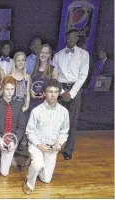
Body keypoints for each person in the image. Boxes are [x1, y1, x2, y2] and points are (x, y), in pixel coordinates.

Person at [22, 79, 69, 194]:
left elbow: (64, 131)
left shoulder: (64, 112)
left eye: (56, 92)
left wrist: (59, 143)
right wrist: (39, 145)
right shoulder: (36, 111)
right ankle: (29, 182)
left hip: (51, 148)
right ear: (44, 93)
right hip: (37, 145)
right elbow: (29, 132)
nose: (53, 95)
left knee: (46, 180)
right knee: (38, 165)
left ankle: (34, 164)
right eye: (50, 91)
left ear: (59, 94)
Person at [52, 29, 89, 160]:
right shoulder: (58, 55)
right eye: (68, 38)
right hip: (60, 88)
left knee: (72, 121)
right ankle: (54, 147)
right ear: (65, 38)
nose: (70, 40)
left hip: (75, 89)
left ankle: (68, 150)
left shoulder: (84, 55)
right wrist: (62, 92)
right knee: (57, 120)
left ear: (77, 39)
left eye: (73, 38)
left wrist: (71, 93)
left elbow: (83, 76)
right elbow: (54, 76)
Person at [0, 76, 26, 188]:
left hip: (11, 139)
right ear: (3, 88)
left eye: (12, 89)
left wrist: (14, 140)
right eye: (7, 89)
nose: (9, 92)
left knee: (4, 173)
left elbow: (21, 127)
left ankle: (0, 158)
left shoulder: (18, 105)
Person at [30, 44, 58, 112]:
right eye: (42, 52)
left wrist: (46, 94)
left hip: (46, 105)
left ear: (49, 55)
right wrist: (30, 91)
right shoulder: (34, 69)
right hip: (33, 103)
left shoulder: (53, 70)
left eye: (46, 53)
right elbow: (30, 85)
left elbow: (55, 90)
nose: (43, 55)